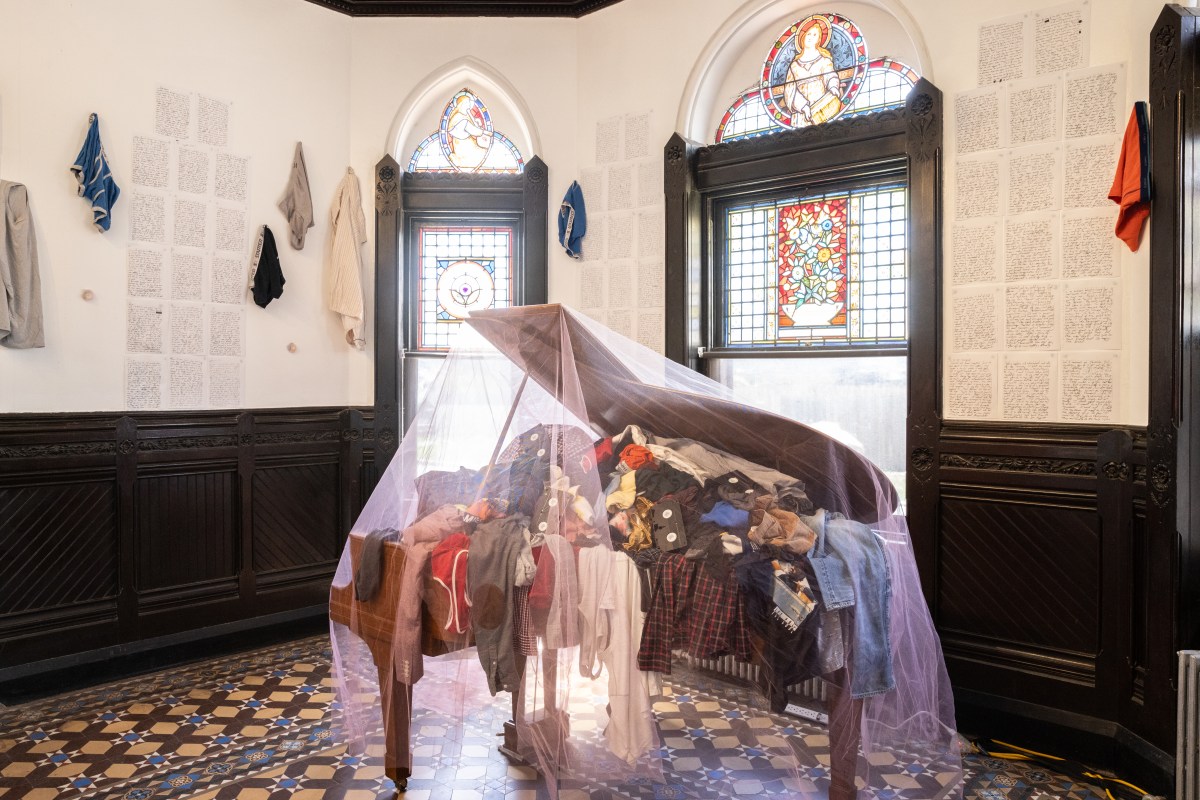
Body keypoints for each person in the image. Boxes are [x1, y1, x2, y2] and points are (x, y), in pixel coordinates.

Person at [782, 16, 844, 126]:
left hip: (822, 107)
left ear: (818, 39)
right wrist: (803, 106)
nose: (811, 37)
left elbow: (831, 76)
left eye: (815, 35)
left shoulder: (824, 61)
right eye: (808, 34)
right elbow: (790, 91)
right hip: (801, 113)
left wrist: (833, 87)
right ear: (803, 37)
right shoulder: (794, 66)